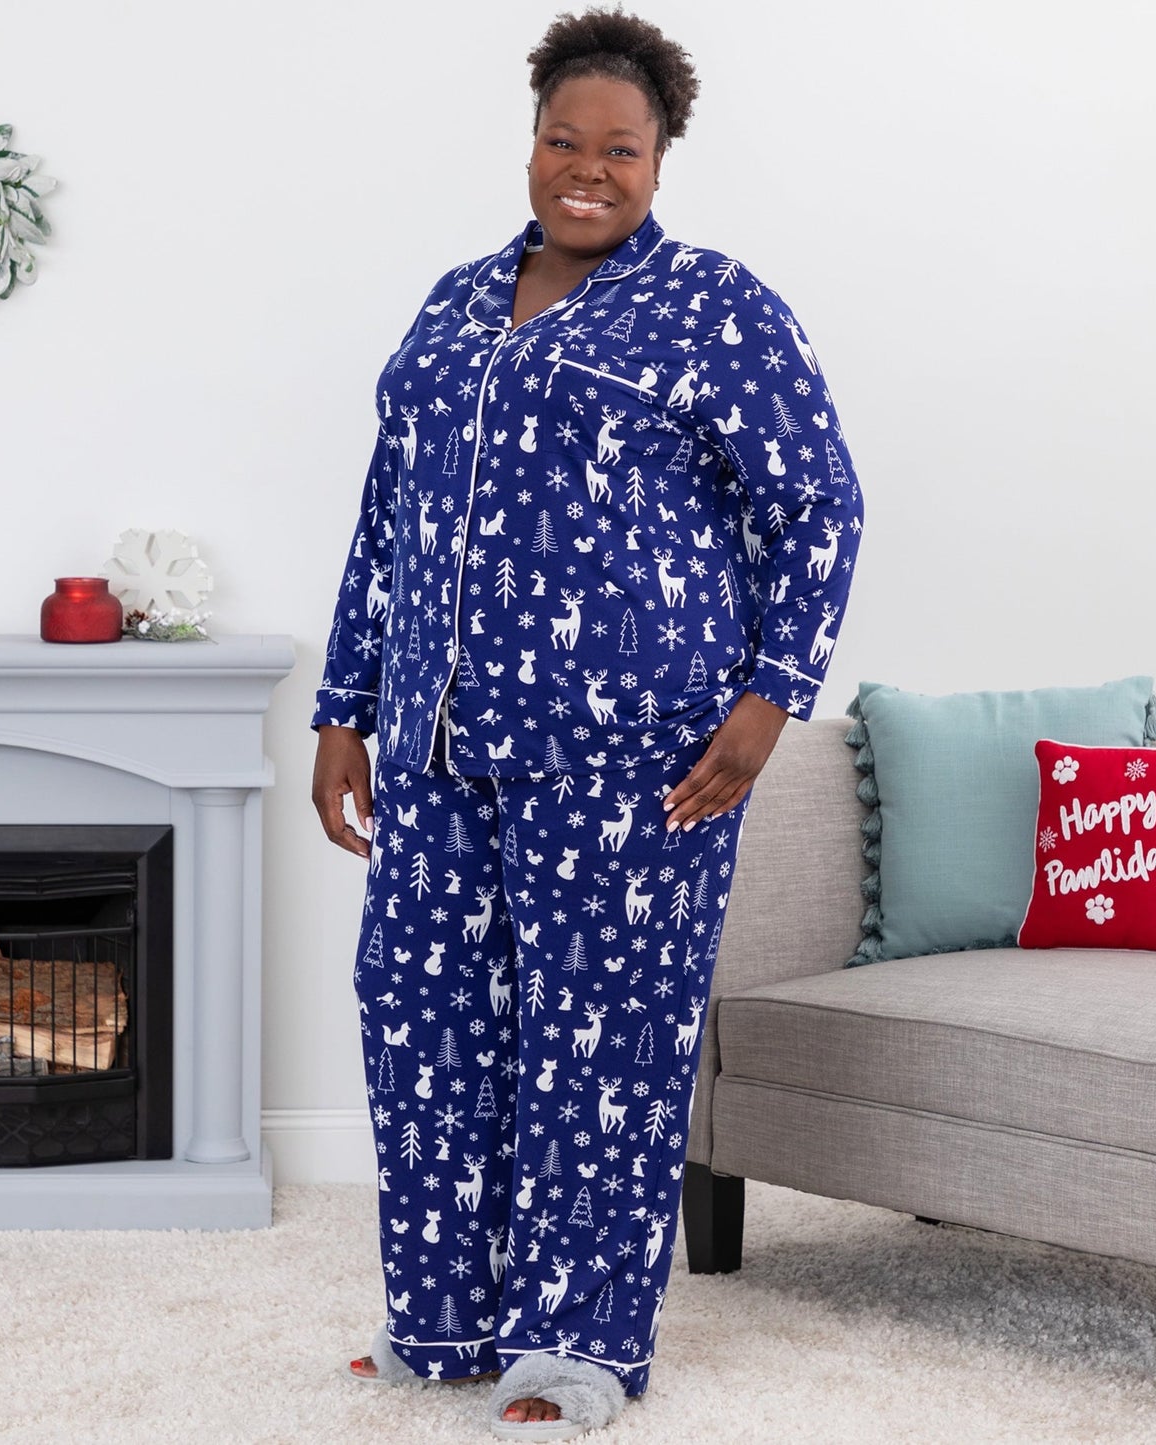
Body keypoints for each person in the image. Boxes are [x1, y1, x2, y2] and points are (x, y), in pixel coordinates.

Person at [311, 8, 863, 1438]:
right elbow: (388, 521)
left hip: (629, 761)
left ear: (660, 157)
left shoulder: (716, 309)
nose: (586, 170)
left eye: (619, 148)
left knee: (601, 1047)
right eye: (564, 139)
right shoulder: (451, 303)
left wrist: (766, 700)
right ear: (532, 140)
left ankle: (579, 1346)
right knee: (419, 1021)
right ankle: (441, 1318)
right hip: (436, 753)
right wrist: (342, 707)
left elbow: (815, 506)